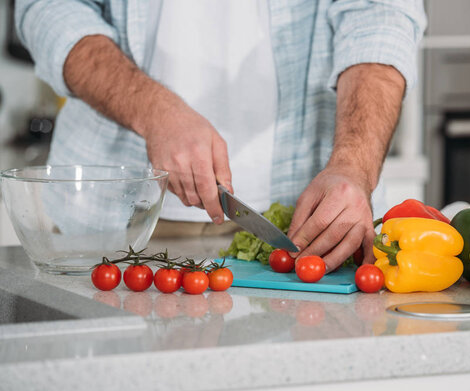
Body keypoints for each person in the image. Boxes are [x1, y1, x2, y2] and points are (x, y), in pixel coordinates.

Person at [16, 0, 427, 271]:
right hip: (108, 220)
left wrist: (353, 166)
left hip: (310, 222)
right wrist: (152, 109)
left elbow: (381, 16)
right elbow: (49, 8)